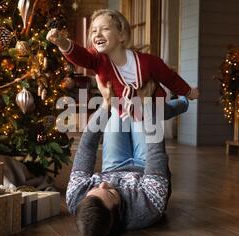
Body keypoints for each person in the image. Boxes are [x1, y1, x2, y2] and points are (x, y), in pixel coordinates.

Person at [47, 9, 199, 171]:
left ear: (122, 36)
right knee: (126, 125)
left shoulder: (148, 62)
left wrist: (189, 92)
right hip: (121, 109)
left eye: (105, 29)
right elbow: (81, 56)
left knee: (167, 110)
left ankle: (182, 103)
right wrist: (62, 42)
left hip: (151, 105)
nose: (97, 34)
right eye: (93, 30)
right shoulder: (98, 60)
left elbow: (170, 78)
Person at [66, 77, 171, 236]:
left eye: (95, 190)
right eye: (111, 193)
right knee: (138, 107)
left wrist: (105, 105)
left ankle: (124, 77)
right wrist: (147, 104)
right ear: (120, 212)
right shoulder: (148, 206)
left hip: (113, 165)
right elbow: (156, 151)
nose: (104, 183)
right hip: (146, 166)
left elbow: (86, 147)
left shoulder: (76, 195)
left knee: (116, 108)